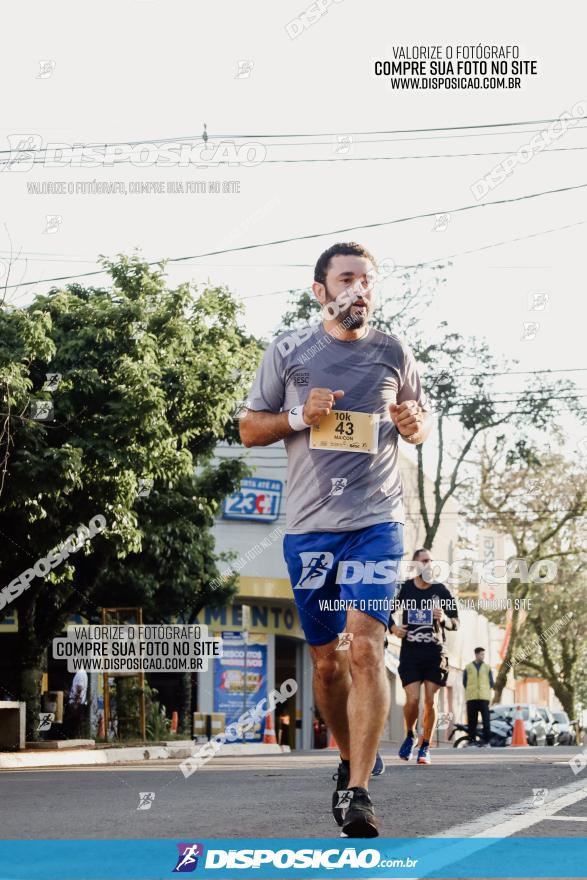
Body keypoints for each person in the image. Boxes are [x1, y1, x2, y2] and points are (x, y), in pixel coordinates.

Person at [240, 241, 431, 837]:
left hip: (377, 523)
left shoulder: (395, 351)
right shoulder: (290, 351)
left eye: (367, 281)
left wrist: (412, 424)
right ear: (320, 290)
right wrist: (300, 417)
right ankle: (348, 758)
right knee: (326, 665)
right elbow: (249, 428)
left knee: (366, 649)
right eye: (346, 279)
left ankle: (358, 793)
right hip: (311, 529)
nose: (359, 290)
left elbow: (419, 420)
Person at [389, 549, 459, 765]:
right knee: (413, 700)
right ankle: (410, 735)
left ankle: (425, 746)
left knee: (430, 701)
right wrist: (393, 628)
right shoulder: (405, 589)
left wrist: (445, 618)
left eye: (431, 560)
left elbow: (456, 622)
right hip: (410, 652)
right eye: (424, 561)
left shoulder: (441, 590)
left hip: (435, 653)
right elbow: (387, 611)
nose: (428, 564)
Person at [463, 647, 495, 747]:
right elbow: (465, 682)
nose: (483, 656)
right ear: (476, 655)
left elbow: (491, 682)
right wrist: (470, 690)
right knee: (472, 721)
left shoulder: (487, 667)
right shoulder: (468, 667)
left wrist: (485, 691)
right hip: (471, 698)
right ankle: (472, 741)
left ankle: (487, 742)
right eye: (481, 654)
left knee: (486, 721)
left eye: (483, 654)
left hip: (484, 698)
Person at [65, 668, 88, 739]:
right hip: (78, 703)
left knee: (74, 723)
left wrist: (76, 702)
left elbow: (79, 688)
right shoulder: (81, 673)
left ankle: (74, 739)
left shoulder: (80, 673)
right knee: (76, 723)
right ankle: (76, 738)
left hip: (76, 704)